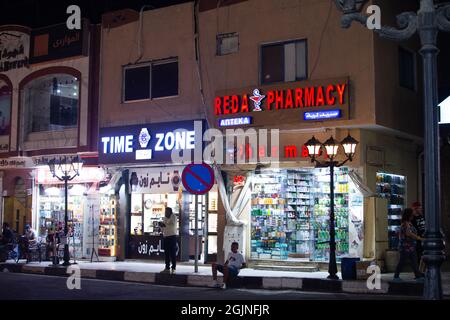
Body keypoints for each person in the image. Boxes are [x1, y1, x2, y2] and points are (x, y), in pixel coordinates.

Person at [393, 208, 425, 282]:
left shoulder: (408, 223)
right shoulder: (405, 223)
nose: (414, 213)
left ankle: (418, 276)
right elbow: (408, 233)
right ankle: (396, 276)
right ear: (409, 214)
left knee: (414, 261)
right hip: (405, 247)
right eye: (412, 212)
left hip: (410, 247)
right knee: (402, 261)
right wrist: (418, 238)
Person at [159, 207, 177, 274]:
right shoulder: (165, 218)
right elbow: (163, 227)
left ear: (170, 211)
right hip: (166, 237)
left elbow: (170, 223)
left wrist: (164, 224)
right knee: (166, 253)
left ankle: (173, 268)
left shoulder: (173, 217)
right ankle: (167, 268)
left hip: (172, 237)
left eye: (166, 211)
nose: (165, 213)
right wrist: (161, 226)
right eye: (165, 212)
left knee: (172, 253)